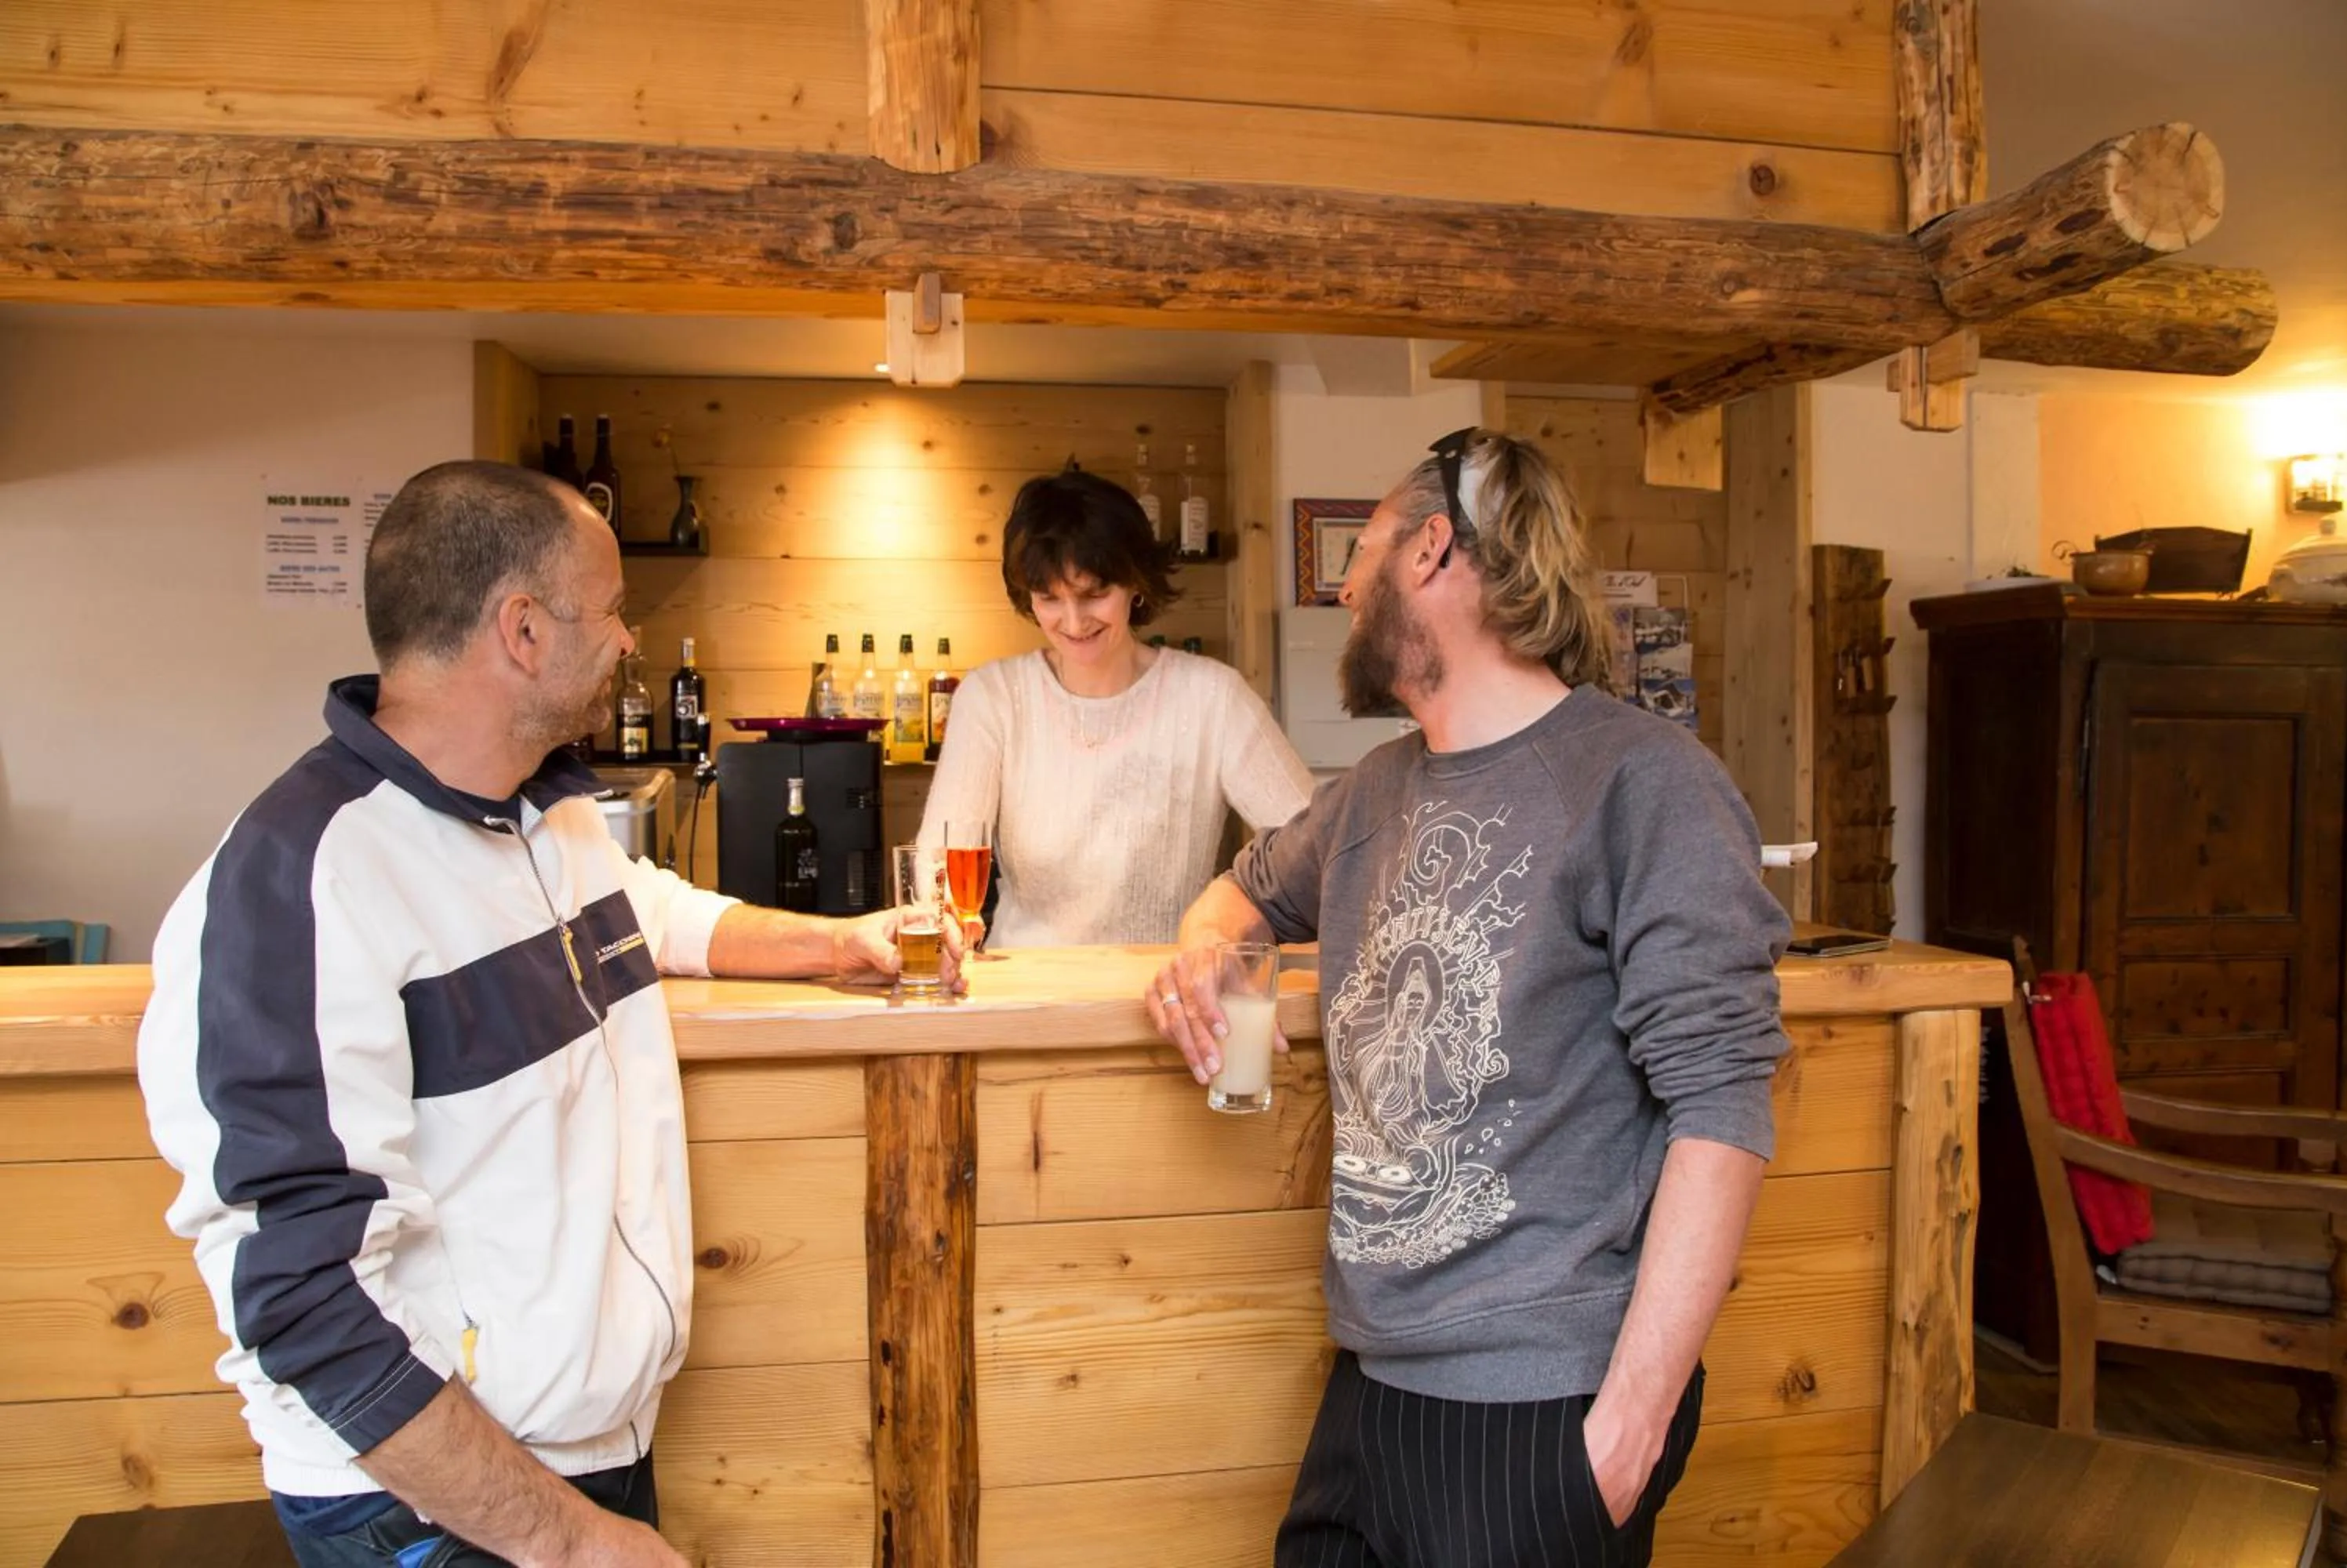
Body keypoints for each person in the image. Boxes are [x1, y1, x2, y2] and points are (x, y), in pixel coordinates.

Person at [137, 461, 957, 1568]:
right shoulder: (302, 882)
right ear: (523, 630)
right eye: (612, 611)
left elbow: (653, 915)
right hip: (440, 1507)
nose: (628, 642)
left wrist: (831, 943)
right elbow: (305, 1303)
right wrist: (569, 1543)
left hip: (577, 1457)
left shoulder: (544, 817)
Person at [1146, 428, 1790, 1566]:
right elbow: (1239, 896)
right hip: (1370, 1386)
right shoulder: (1372, 793)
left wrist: (1627, 1435)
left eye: (1367, 550)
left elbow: (1722, 1111)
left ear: (1434, 549)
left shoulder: (1646, 783)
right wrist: (1203, 950)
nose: (1345, 584)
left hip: (1544, 1405)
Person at [919, 467, 1312, 947]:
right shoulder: (993, 697)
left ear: (1135, 583)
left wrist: (1238, 921)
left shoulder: (1212, 698)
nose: (1073, 621)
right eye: (1049, 599)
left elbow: (1313, 848)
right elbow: (937, 861)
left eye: (1094, 594)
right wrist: (947, 927)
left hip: (1172, 997)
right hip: (1027, 995)